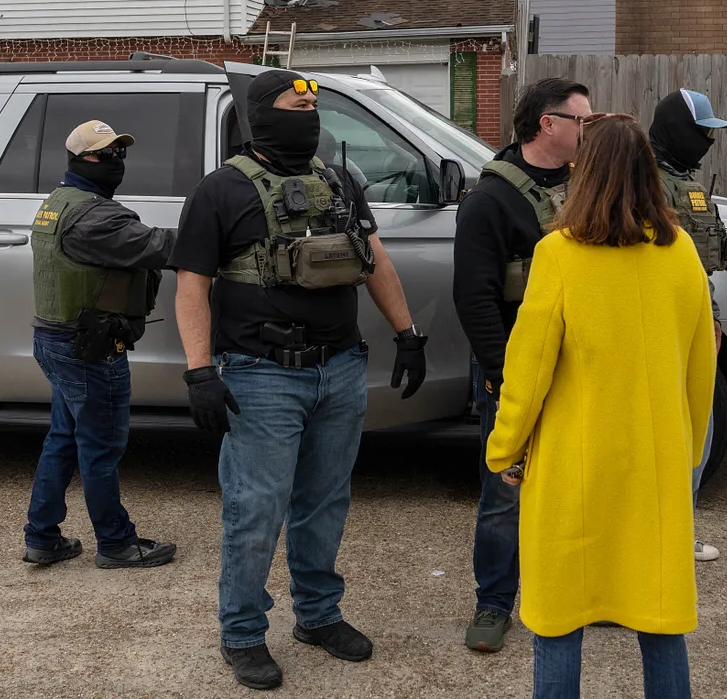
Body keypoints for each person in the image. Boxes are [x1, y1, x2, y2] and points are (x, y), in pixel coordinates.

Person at [171, 70, 427, 691]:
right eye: (296, 104)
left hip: (339, 368)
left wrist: (408, 333)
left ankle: (317, 615)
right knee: (256, 508)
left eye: (314, 106)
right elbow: (191, 285)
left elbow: (374, 259)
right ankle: (242, 633)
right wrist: (200, 370)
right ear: (262, 114)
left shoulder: (338, 183)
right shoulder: (220, 190)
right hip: (262, 376)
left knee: (325, 501)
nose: (309, 115)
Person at [487, 113, 715, 699]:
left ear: (582, 173)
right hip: (655, 467)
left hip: (574, 470)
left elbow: (528, 371)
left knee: (559, 622)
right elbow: (701, 368)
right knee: (660, 620)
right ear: (648, 172)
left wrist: (505, 449)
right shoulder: (681, 253)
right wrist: (687, 451)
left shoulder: (559, 255)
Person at [452, 77, 591, 654]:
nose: (589, 130)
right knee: (505, 492)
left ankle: (584, 595)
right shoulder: (491, 200)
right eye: (582, 120)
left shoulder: (590, 188)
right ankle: (494, 602)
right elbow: (474, 297)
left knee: (581, 487)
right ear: (547, 125)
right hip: (516, 371)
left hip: (583, 369)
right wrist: (501, 376)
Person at [23, 120, 178, 569]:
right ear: (80, 159)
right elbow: (162, 247)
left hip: (55, 340)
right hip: (89, 348)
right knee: (101, 447)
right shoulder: (97, 218)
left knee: (64, 438)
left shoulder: (58, 202)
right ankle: (116, 543)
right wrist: (220, 229)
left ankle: (42, 537)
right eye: (106, 154)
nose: (116, 161)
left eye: (119, 152)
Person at [649, 88, 727, 564]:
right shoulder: (643, 183)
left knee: (699, 431)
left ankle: (681, 529)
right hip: (661, 331)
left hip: (700, 321)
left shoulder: (688, 182)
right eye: (702, 132)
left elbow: (703, 267)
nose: (708, 141)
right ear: (679, 130)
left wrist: (713, 319)